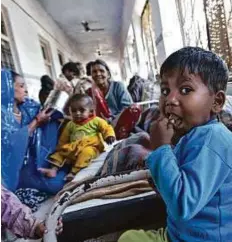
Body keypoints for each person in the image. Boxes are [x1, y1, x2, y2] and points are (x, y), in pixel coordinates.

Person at [118, 47, 232, 241]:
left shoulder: (213, 139)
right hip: (178, 233)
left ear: (217, 102)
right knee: (129, 237)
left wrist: (162, 149)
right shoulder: (189, 136)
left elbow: (182, 205)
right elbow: (175, 187)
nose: (170, 100)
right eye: (165, 90)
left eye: (185, 90)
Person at [1, 69, 68, 196]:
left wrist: (60, 96)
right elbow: (10, 145)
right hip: (18, 168)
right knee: (57, 184)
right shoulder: (2, 115)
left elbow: (48, 113)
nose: (26, 90)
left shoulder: (27, 107)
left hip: (36, 159)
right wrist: (36, 121)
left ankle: (54, 164)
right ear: (8, 88)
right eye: (21, 86)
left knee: (53, 123)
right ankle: (43, 175)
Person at [39, 94, 115, 181]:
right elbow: (64, 138)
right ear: (69, 111)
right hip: (73, 148)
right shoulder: (70, 124)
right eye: (74, 111)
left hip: (90, 147)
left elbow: (106, 128)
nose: (77, 113)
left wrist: (109, 135)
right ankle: (53, 170)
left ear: (90, 111)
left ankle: (73, 172)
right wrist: (60, 148)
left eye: (82, 110)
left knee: (87, 153)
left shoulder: (96, 121)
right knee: (59, 154)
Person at [89, 59, 142, 139]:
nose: (98, 74)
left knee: (134, 109)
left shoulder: (118, 86)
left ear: (108, 74)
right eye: (94, 72)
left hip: (118, 122)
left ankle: (117, 134)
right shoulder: (90, 92)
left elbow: (127, 107)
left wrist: (112, 119)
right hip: (100, 126)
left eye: (101, 71)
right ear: (91, 76)